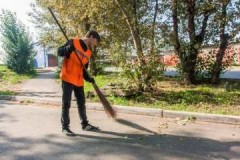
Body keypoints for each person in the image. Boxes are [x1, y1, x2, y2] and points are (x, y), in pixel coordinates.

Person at [57, 30, 100, 136]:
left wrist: (89, 78)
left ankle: (84, 124)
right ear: (90, 36)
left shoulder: (88, 53)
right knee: (66, 103)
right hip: (68, 77)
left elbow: (84, 69)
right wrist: (68, 48)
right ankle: (65, 127)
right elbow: (59, 52)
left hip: (78, 80)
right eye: (95, 41)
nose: (95, 44)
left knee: (81, 103)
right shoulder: (73, 42)